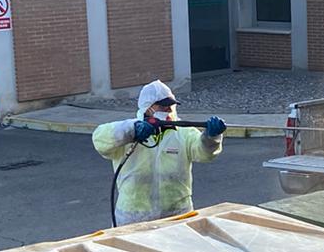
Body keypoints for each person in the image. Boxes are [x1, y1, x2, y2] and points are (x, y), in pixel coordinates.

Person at [93, 80, 227, 226]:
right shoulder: (127, 133)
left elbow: (204, 154)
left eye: (170, 105)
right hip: (134, 218)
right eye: (163, 106)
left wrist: (211, 137)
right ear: (148, 108)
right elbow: (100, 140)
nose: (168, 110)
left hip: (177, 216)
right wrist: (132, 130)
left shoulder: (184, 134)